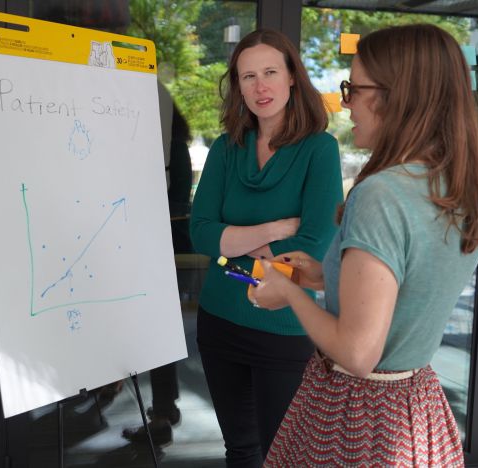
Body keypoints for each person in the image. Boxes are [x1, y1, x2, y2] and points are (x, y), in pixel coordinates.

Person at [251, 24, 478, 466]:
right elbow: (408, 282)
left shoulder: (381, 193)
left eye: (353, 89)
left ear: (395, 96)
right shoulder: (454, 185)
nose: (345, 105)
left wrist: (290, 292)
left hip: (356, 418)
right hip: (418, 407)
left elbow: (359, 354)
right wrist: (324, 276)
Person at [189, 29, 343, 466]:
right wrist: (275, 228)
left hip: (284, 329)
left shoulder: (319, 150)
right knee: (239, 449)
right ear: (237, 85)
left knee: (283, 455)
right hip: (219, 323)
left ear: (292, 77)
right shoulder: (226, 148)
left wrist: (231, 250)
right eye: (248, 76)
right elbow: (200, 233)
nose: (260, 87)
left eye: (270, 72)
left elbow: (313, 245)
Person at [122, 102, 192, 447]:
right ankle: (161, 410)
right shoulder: (163, 144)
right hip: (155, 250)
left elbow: (179, 205)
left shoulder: (170, 149)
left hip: (165, 253)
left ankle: (162, 412)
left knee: (156, 333)